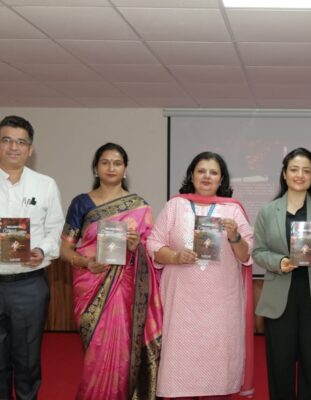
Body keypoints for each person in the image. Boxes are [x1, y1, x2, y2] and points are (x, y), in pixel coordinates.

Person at [147, 152, 254, 400]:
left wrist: (235, 236)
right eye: (201, 171)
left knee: (218, 367)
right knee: (180, 363)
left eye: (213, 172)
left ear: (221, 179)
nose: (207, 176)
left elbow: (246, 255)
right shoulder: (175, 206)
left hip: (221, 304)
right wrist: (175, 256)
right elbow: (153, 243)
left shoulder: (233, 210)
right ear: (192, 176)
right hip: (182, 303)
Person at [60, 142, 162, 400]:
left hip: (126, 291)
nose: (111, 168)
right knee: (95, 351)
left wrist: (135, 246)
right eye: (105, 162)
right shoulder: (81, 203)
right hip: (90, 286)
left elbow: (152, 251)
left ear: (125, 169)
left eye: (117, 163)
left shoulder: (139, 206)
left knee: (124, 350)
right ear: (96, 168)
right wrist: (86, 263)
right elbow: (65, 249)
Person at [254, 147, 311, 400]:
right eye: (294, 169)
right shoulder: (268, 211)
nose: (300, 175)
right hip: (280, 297)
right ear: (284, 174)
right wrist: (279, 261)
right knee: (280, 366)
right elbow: (258, 251)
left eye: (306, 171)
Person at [0, 115, 64, 400]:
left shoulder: (45, 185)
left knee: (27, 360)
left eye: (21, 142)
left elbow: (55, 229)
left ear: (30, 149)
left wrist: (42, 251)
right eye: (6, 140)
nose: (13, 147)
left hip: (29, 284)